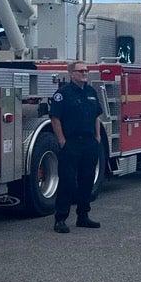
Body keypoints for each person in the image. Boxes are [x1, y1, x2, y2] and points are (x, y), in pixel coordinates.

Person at [49, 61, 103, 234]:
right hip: (71, 143)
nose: (84, 73)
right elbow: (55, 119)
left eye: (86, 70)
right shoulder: (63, 94)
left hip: (89, 143)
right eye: (81, 71)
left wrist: (98, 137)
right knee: (68, 181)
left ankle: (83, 216)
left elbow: (96, 116)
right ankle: (60, 219)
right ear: (72, 74)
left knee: (87, 180)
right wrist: (62, 141)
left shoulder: (91, 92)